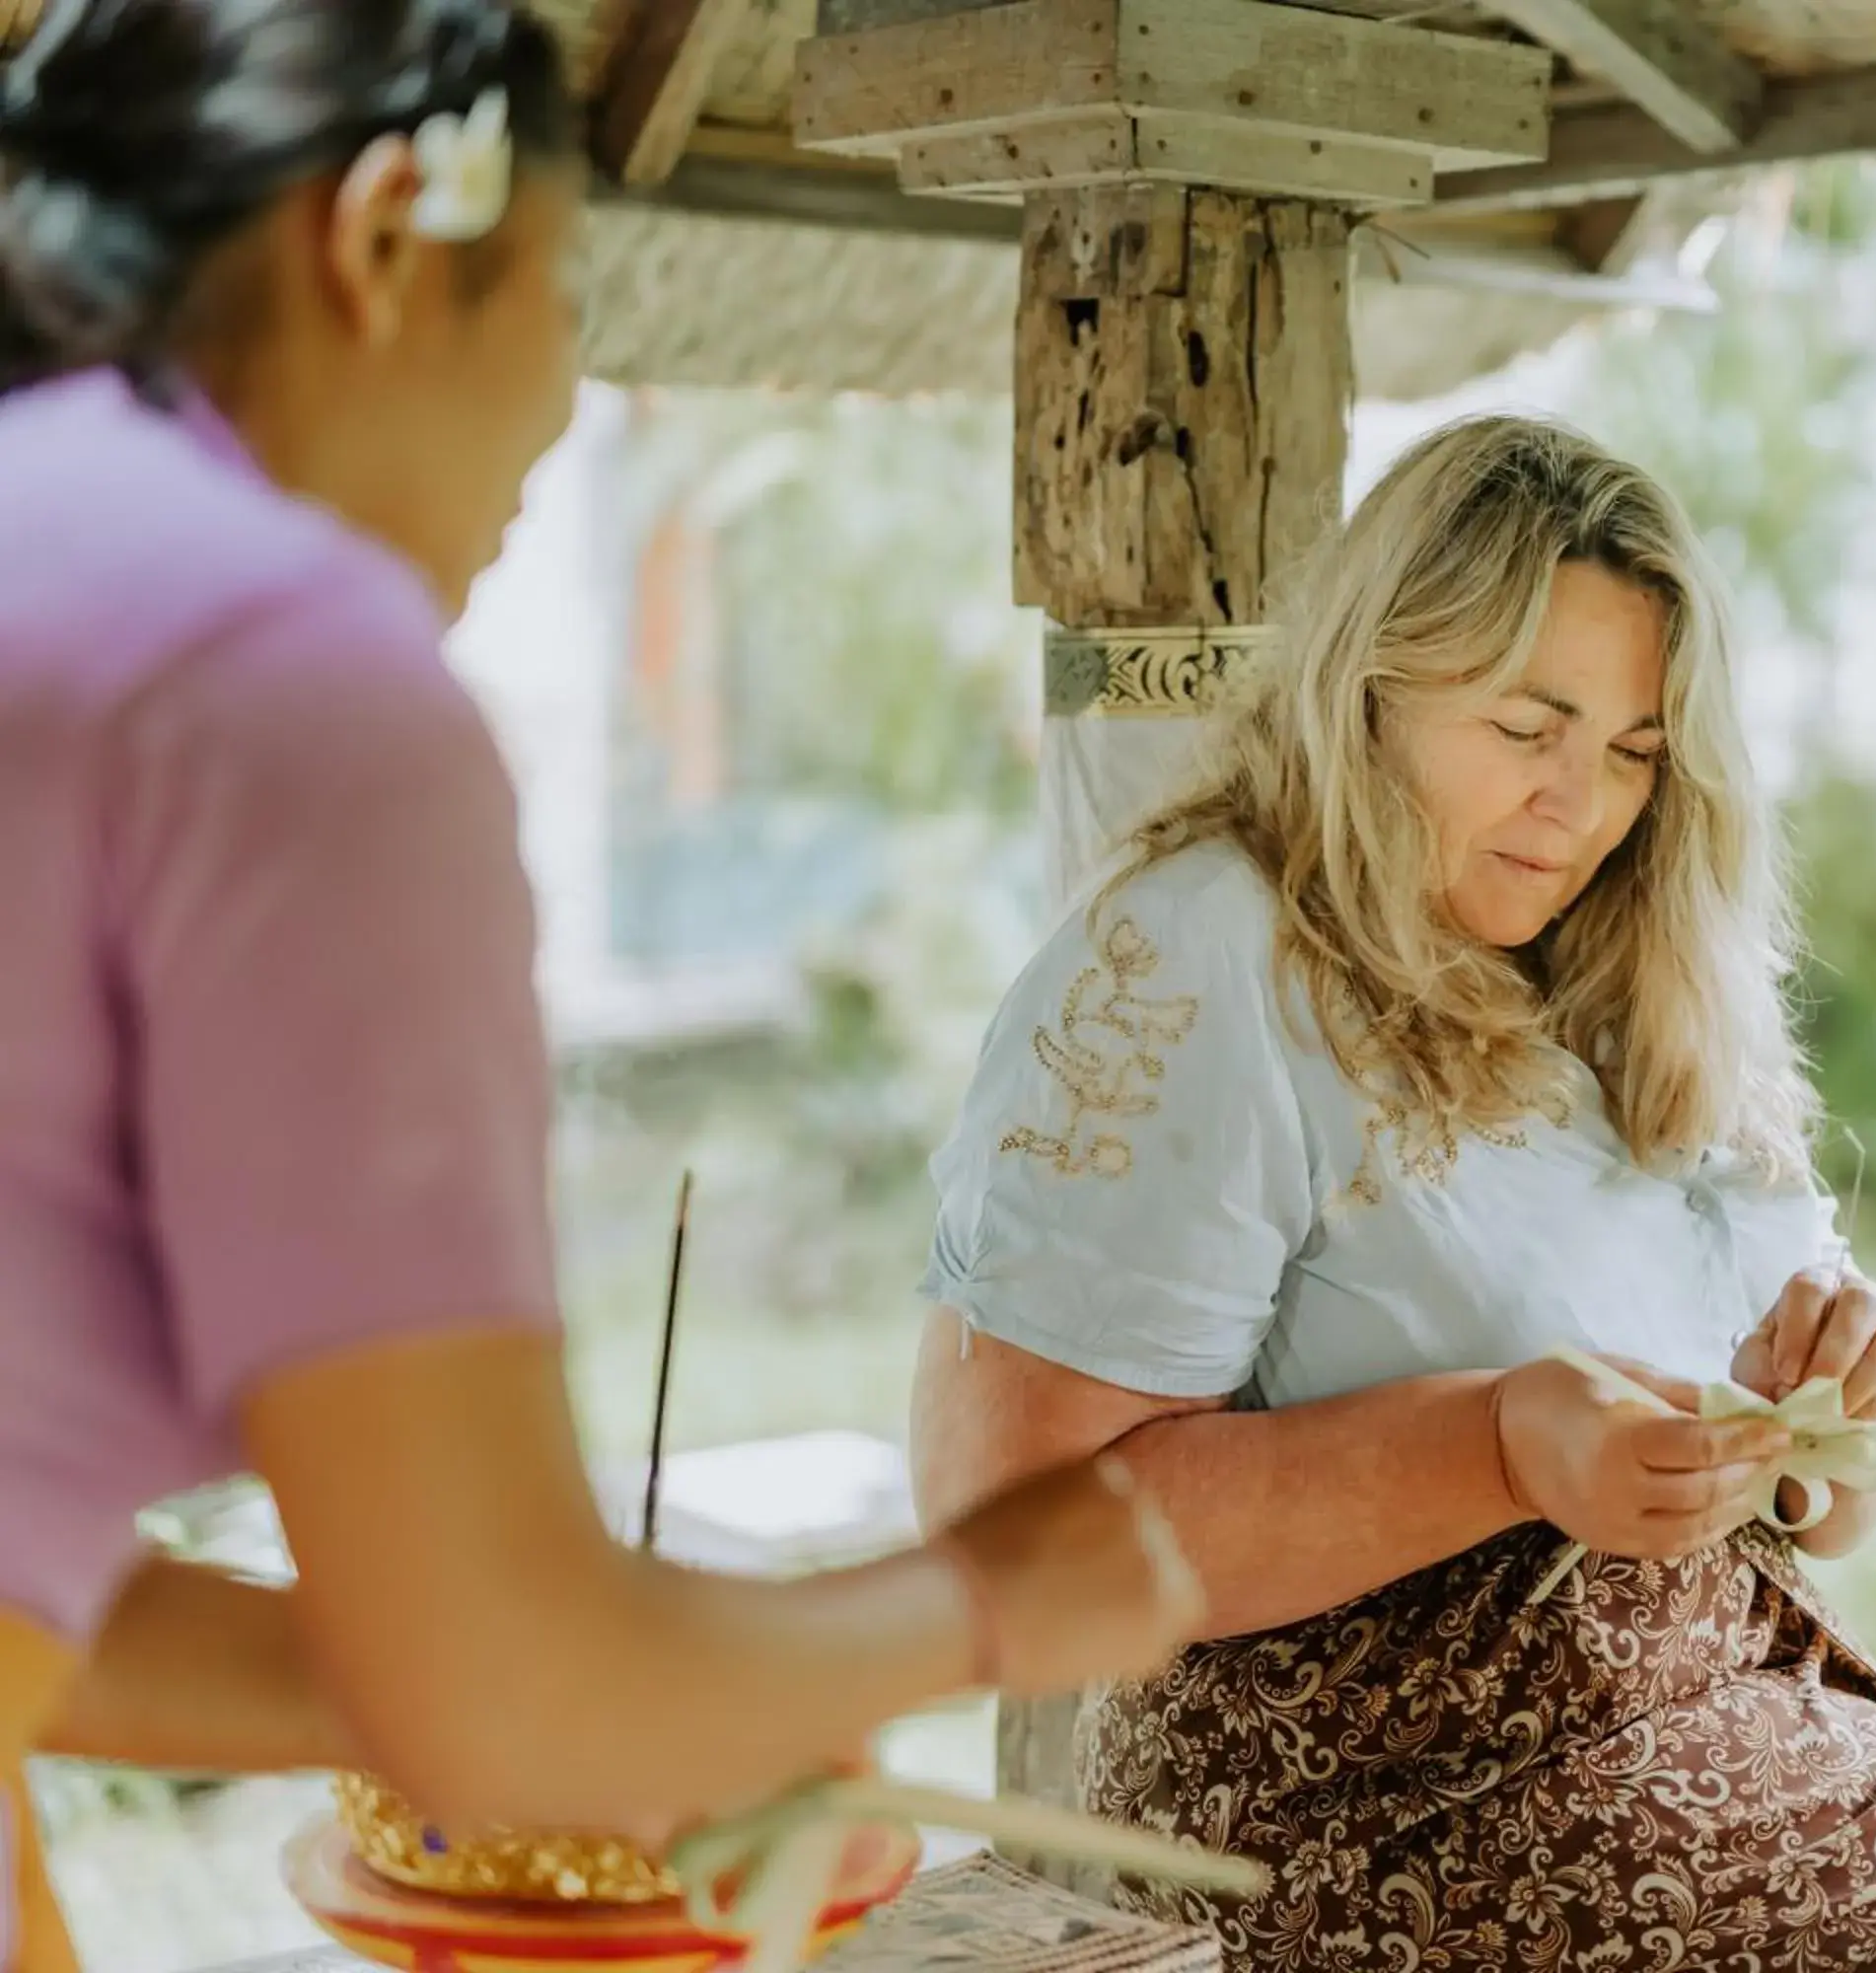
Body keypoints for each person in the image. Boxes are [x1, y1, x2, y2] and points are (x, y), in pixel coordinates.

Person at [0, 0, 1199, 1965]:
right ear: (386, 235)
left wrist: (480, 1674)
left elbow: (64, 1600)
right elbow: (505, 1691)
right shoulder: (282, 675)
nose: (566, 408)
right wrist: (989, 1597)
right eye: (556, 291)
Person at [908, 414, 1876, 1972]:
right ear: (1376, 677)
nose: (1580, 808)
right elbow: (1004, 1518)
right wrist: (1497, 1443)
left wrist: (1829, 1420)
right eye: (1530, 728)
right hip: (1369, 1809)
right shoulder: (1210, 952)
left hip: (1712, 1729)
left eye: (1632, 755)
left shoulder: (1638, 977)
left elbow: (1832, 1512)